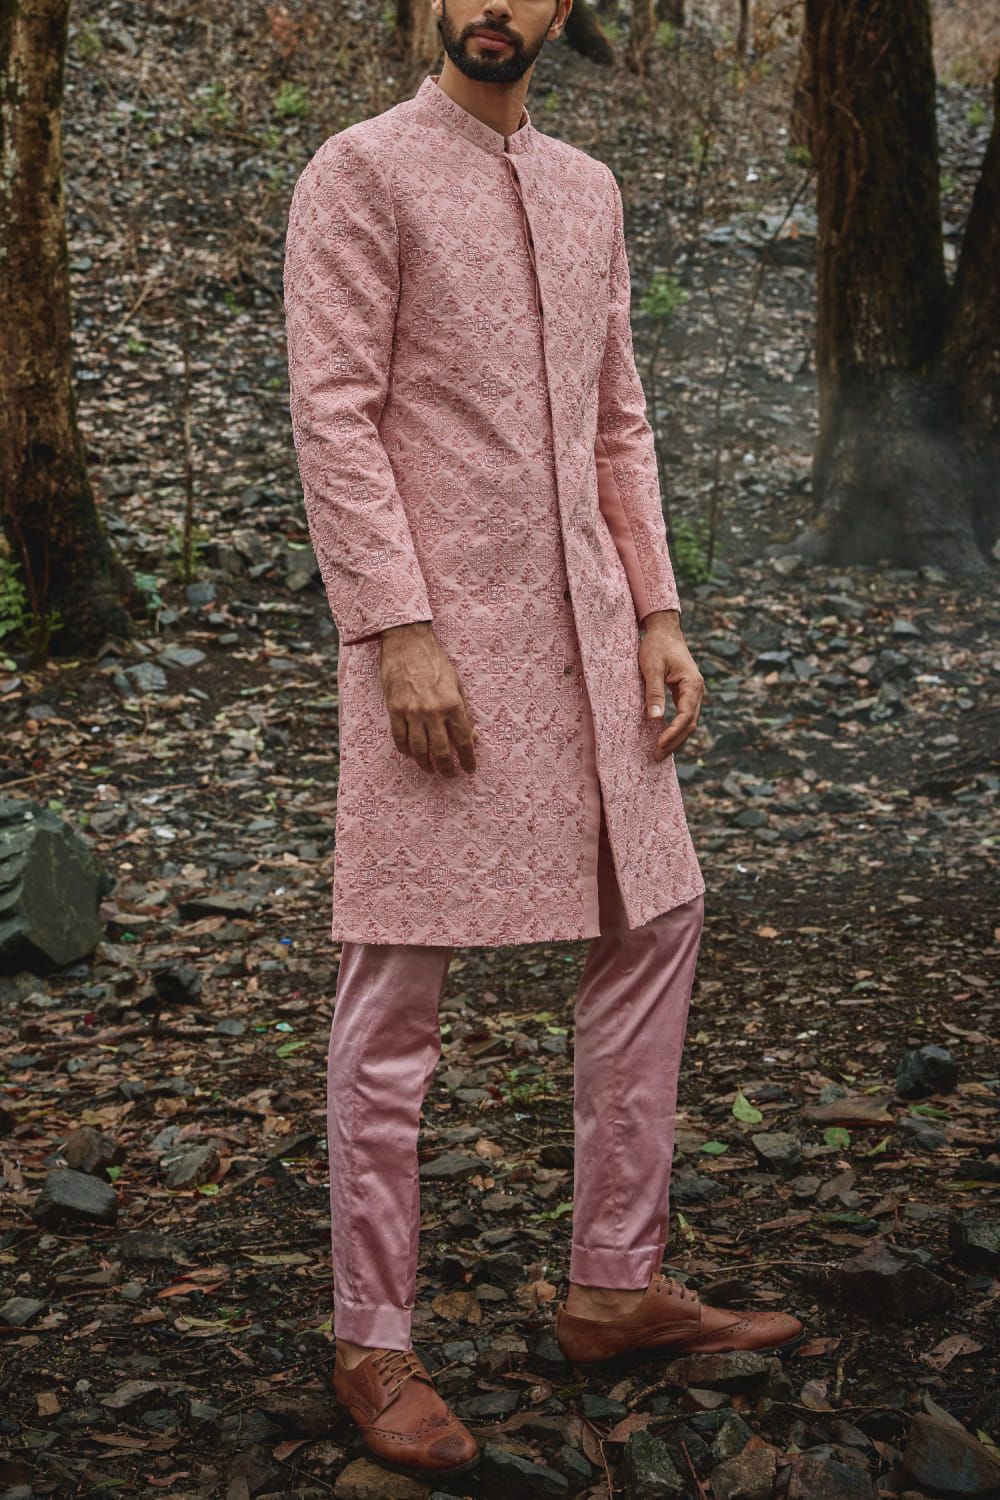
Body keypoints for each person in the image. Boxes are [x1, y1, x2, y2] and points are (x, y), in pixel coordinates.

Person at [284, 0, 801, 1480]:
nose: (491, 5)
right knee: (396, 983)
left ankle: (613, 1286)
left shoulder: (588, 189)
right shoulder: (361, 171)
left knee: (660, 916)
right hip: (440, 650)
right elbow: (335, 414)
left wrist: (660, 609)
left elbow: (618, 416)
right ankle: (372, 1339)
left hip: (594, 635)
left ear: (562, 7)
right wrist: (396, 630)